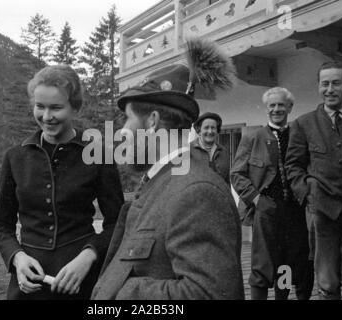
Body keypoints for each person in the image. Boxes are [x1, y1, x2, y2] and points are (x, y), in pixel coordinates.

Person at [90, 62, 245, 300]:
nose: (122, 132)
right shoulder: (164, 180)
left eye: (127, 119)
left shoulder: (197, 193)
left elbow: (209, 295)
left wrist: (123, 291)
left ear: (152, 122)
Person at [0, 65, 124, 300]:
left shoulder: (98, 154)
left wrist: (89, 256)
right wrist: (17, 258)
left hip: (81, 282)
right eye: (40, 106)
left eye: (56, 108)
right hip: (28, 284)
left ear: (75, 107)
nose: (46, 116)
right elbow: (1, 224)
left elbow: (117, 224)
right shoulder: (15, 157)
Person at [231, 87, 311, 300]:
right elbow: (237, 174)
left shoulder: (299, 135)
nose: (276, 109)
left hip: (294, 210)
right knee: (262, 263)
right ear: (266, 109)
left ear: (290, 107)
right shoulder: (253, 137)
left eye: (281, 105)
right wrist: (256, 199)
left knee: (287, 262)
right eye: (272, 106)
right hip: (266, 208)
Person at [286, 61, 342, 300]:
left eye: (336, 83)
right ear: (318, 86)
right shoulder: (304, 123)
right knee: (327, 282)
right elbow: (293, 166)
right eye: (324, 84)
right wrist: (307, 193)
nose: (330, 89)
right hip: (323, 213)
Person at [191, 112, 230, 184]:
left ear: (217, 131)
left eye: (213, 128)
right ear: (199, 131)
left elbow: (227, 182)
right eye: (206, 128)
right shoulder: (188, 151)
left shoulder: (223, 152)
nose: (210, 131)